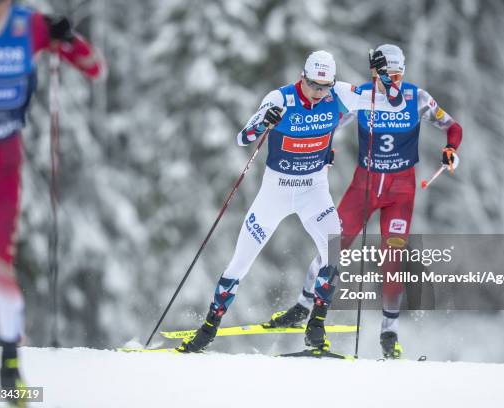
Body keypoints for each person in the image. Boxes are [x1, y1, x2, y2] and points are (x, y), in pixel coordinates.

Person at [177, 50, 405, 353]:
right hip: (276, 192)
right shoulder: (281, 99)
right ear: (302, 78)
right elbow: (243, 138)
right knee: (240, 263)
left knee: (334, 254)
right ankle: (207, 330)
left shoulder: (338, 94)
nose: (319, 93)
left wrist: (385, 79)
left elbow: (391, 105)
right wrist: (262, 122)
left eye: (325, 87)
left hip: (314, 191)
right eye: (313, 86)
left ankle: (315, 326)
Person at [272, 44, 463, 359]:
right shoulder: (359, 96)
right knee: (332, 245)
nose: (395, 82)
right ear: (376, 73)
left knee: (392, 259)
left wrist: (450, 148)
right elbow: (327, 122)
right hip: (365, 184)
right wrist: (324, 148)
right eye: (389, 75)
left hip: (400, 191)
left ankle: (389, 332)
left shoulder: (416, 98)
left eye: (399, 75)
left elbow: (452, 126)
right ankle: (303, 306)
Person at [0, 0, 105, 403]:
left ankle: (10, 369)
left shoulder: (29, 26)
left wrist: (65, 35)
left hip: (3, 160)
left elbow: (94, 67)